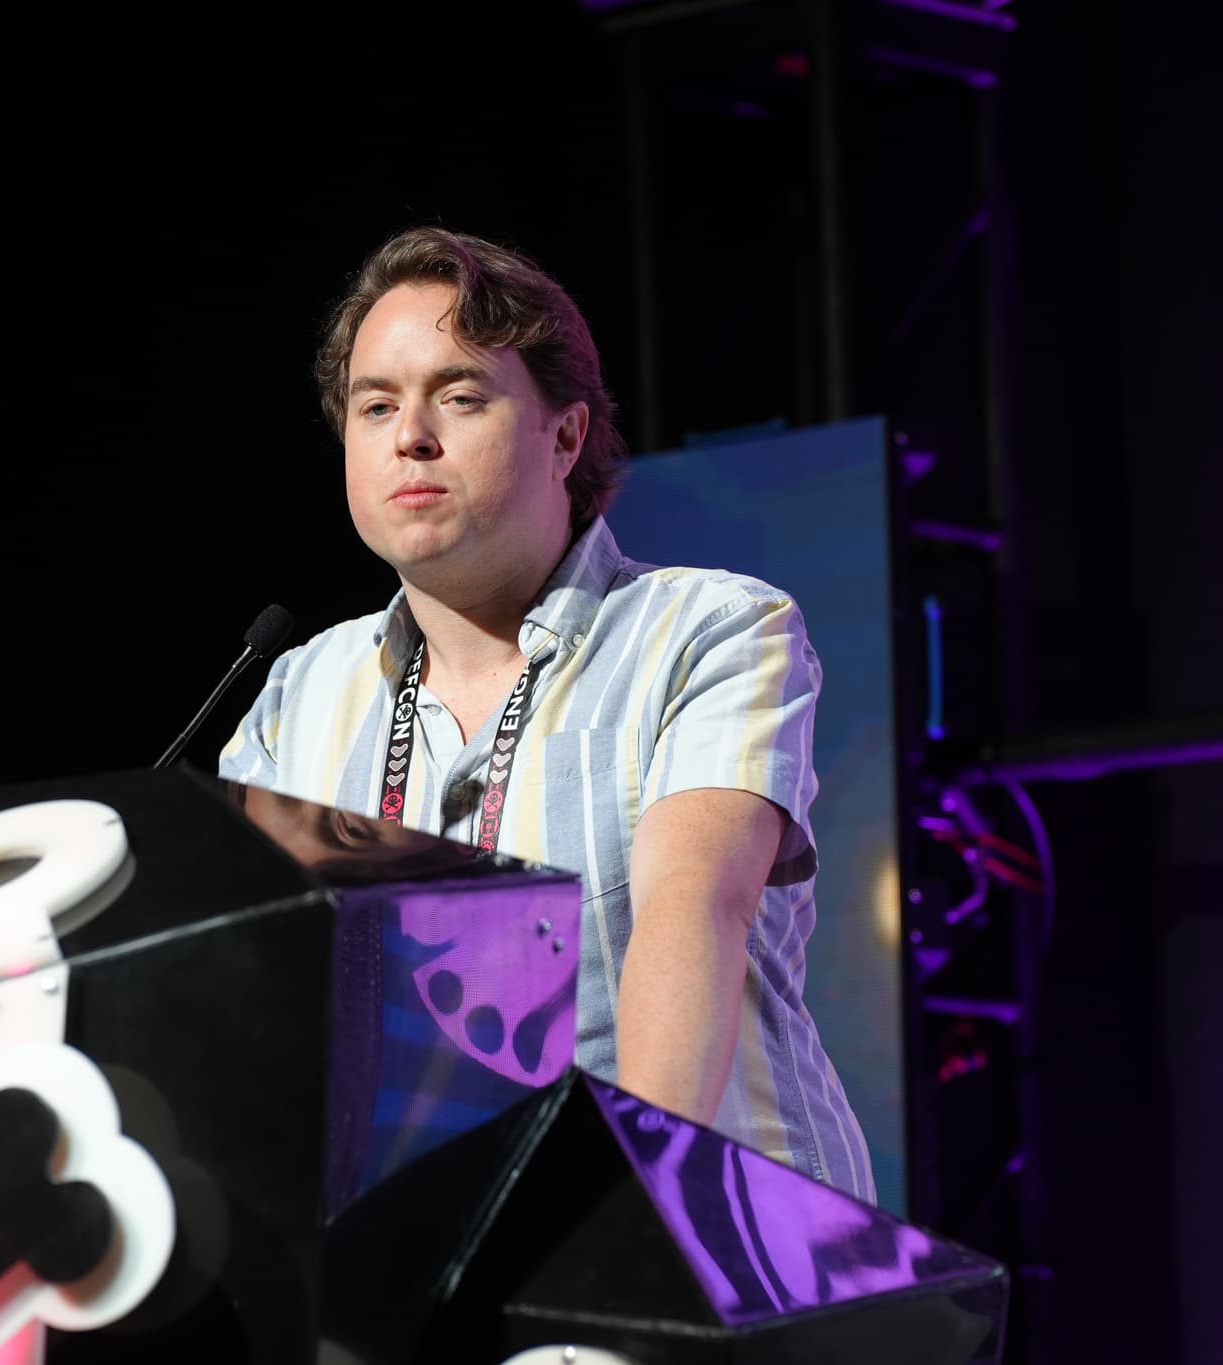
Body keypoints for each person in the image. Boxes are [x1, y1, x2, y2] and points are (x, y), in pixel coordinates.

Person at [220, 227, 874, 1202]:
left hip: (714, 1243)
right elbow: (256, 997)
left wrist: (623, 1230)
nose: (411, 435)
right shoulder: (297, 693)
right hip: (426, 1257)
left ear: (563, 436)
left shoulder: (706, 629)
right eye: (374, 405)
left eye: (458, 395)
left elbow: (691, 905)